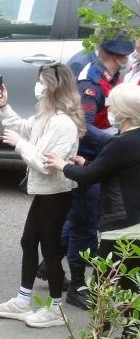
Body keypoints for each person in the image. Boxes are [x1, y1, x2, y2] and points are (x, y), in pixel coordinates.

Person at [0, 63, 84, 328]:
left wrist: (19, 144)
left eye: (42, 82)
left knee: (50, 249)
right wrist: (4, 106)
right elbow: (23, 127)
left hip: (56, 192)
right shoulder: (46, 114)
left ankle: (56, 308)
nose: (38, 86)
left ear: (54, 87)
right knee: (28, 242)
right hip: (43, 192)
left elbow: (44, 163)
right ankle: (23, 300)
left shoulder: (63, 123)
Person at [44, 83, 140, 335]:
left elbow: (88, 177)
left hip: (120, 229)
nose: (109, 109)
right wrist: (87, 163)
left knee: (103, 289)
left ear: (124, 113)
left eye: (113, 106)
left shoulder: (120, 144)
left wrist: (62, 165)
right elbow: (117, 170)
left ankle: (100, 333)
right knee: (133, 289)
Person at [64, 32, 135, 308]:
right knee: (84, 224)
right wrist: (118, 140)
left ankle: (49, 265)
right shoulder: (91, 82)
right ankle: (78, 284)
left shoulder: (112, 77)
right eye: (126, 56)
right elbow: (84, 127)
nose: (129, 60)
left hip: (105, 156)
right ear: (118, 57)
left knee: (79, 220)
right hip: (89, 157)